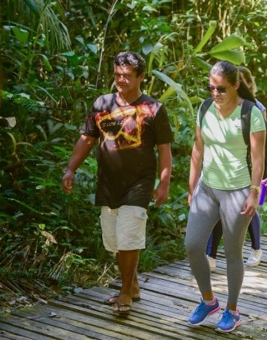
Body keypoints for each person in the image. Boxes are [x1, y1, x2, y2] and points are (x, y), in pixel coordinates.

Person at [61, 51, 173, 315]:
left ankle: (125, 294)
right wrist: (70, 169)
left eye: (126, 76)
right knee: (113, 240)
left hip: (139, 182)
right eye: (117, 75)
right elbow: (87, 138)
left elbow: (164, 148)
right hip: (108, 182)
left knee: (129, 238)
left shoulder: (154, 109)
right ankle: (132, 284)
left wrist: (164, 182)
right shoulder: (103, 103)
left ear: (141, 76)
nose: (120, 80)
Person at [184, 61, 265, 333]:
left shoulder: (251, 113)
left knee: (232, 252)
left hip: (237, 191)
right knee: (193, 245)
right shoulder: (205, 109)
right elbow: (198, 148)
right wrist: (192, 185)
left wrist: (254, 194)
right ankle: (209, 301)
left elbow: (258, 158)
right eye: (211, 88)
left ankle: (232, 310)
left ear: (235, 85)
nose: (215, 93)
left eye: (221, 89)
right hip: (207, 188)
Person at [205, 66, 267, 271]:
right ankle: (210, 256)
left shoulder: (255, 108)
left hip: (250, 170)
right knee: (218, 212)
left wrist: (262, 177)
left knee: (249, 209)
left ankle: (256, 249)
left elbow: (262, 144)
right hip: (224, 172)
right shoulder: (218, 107)